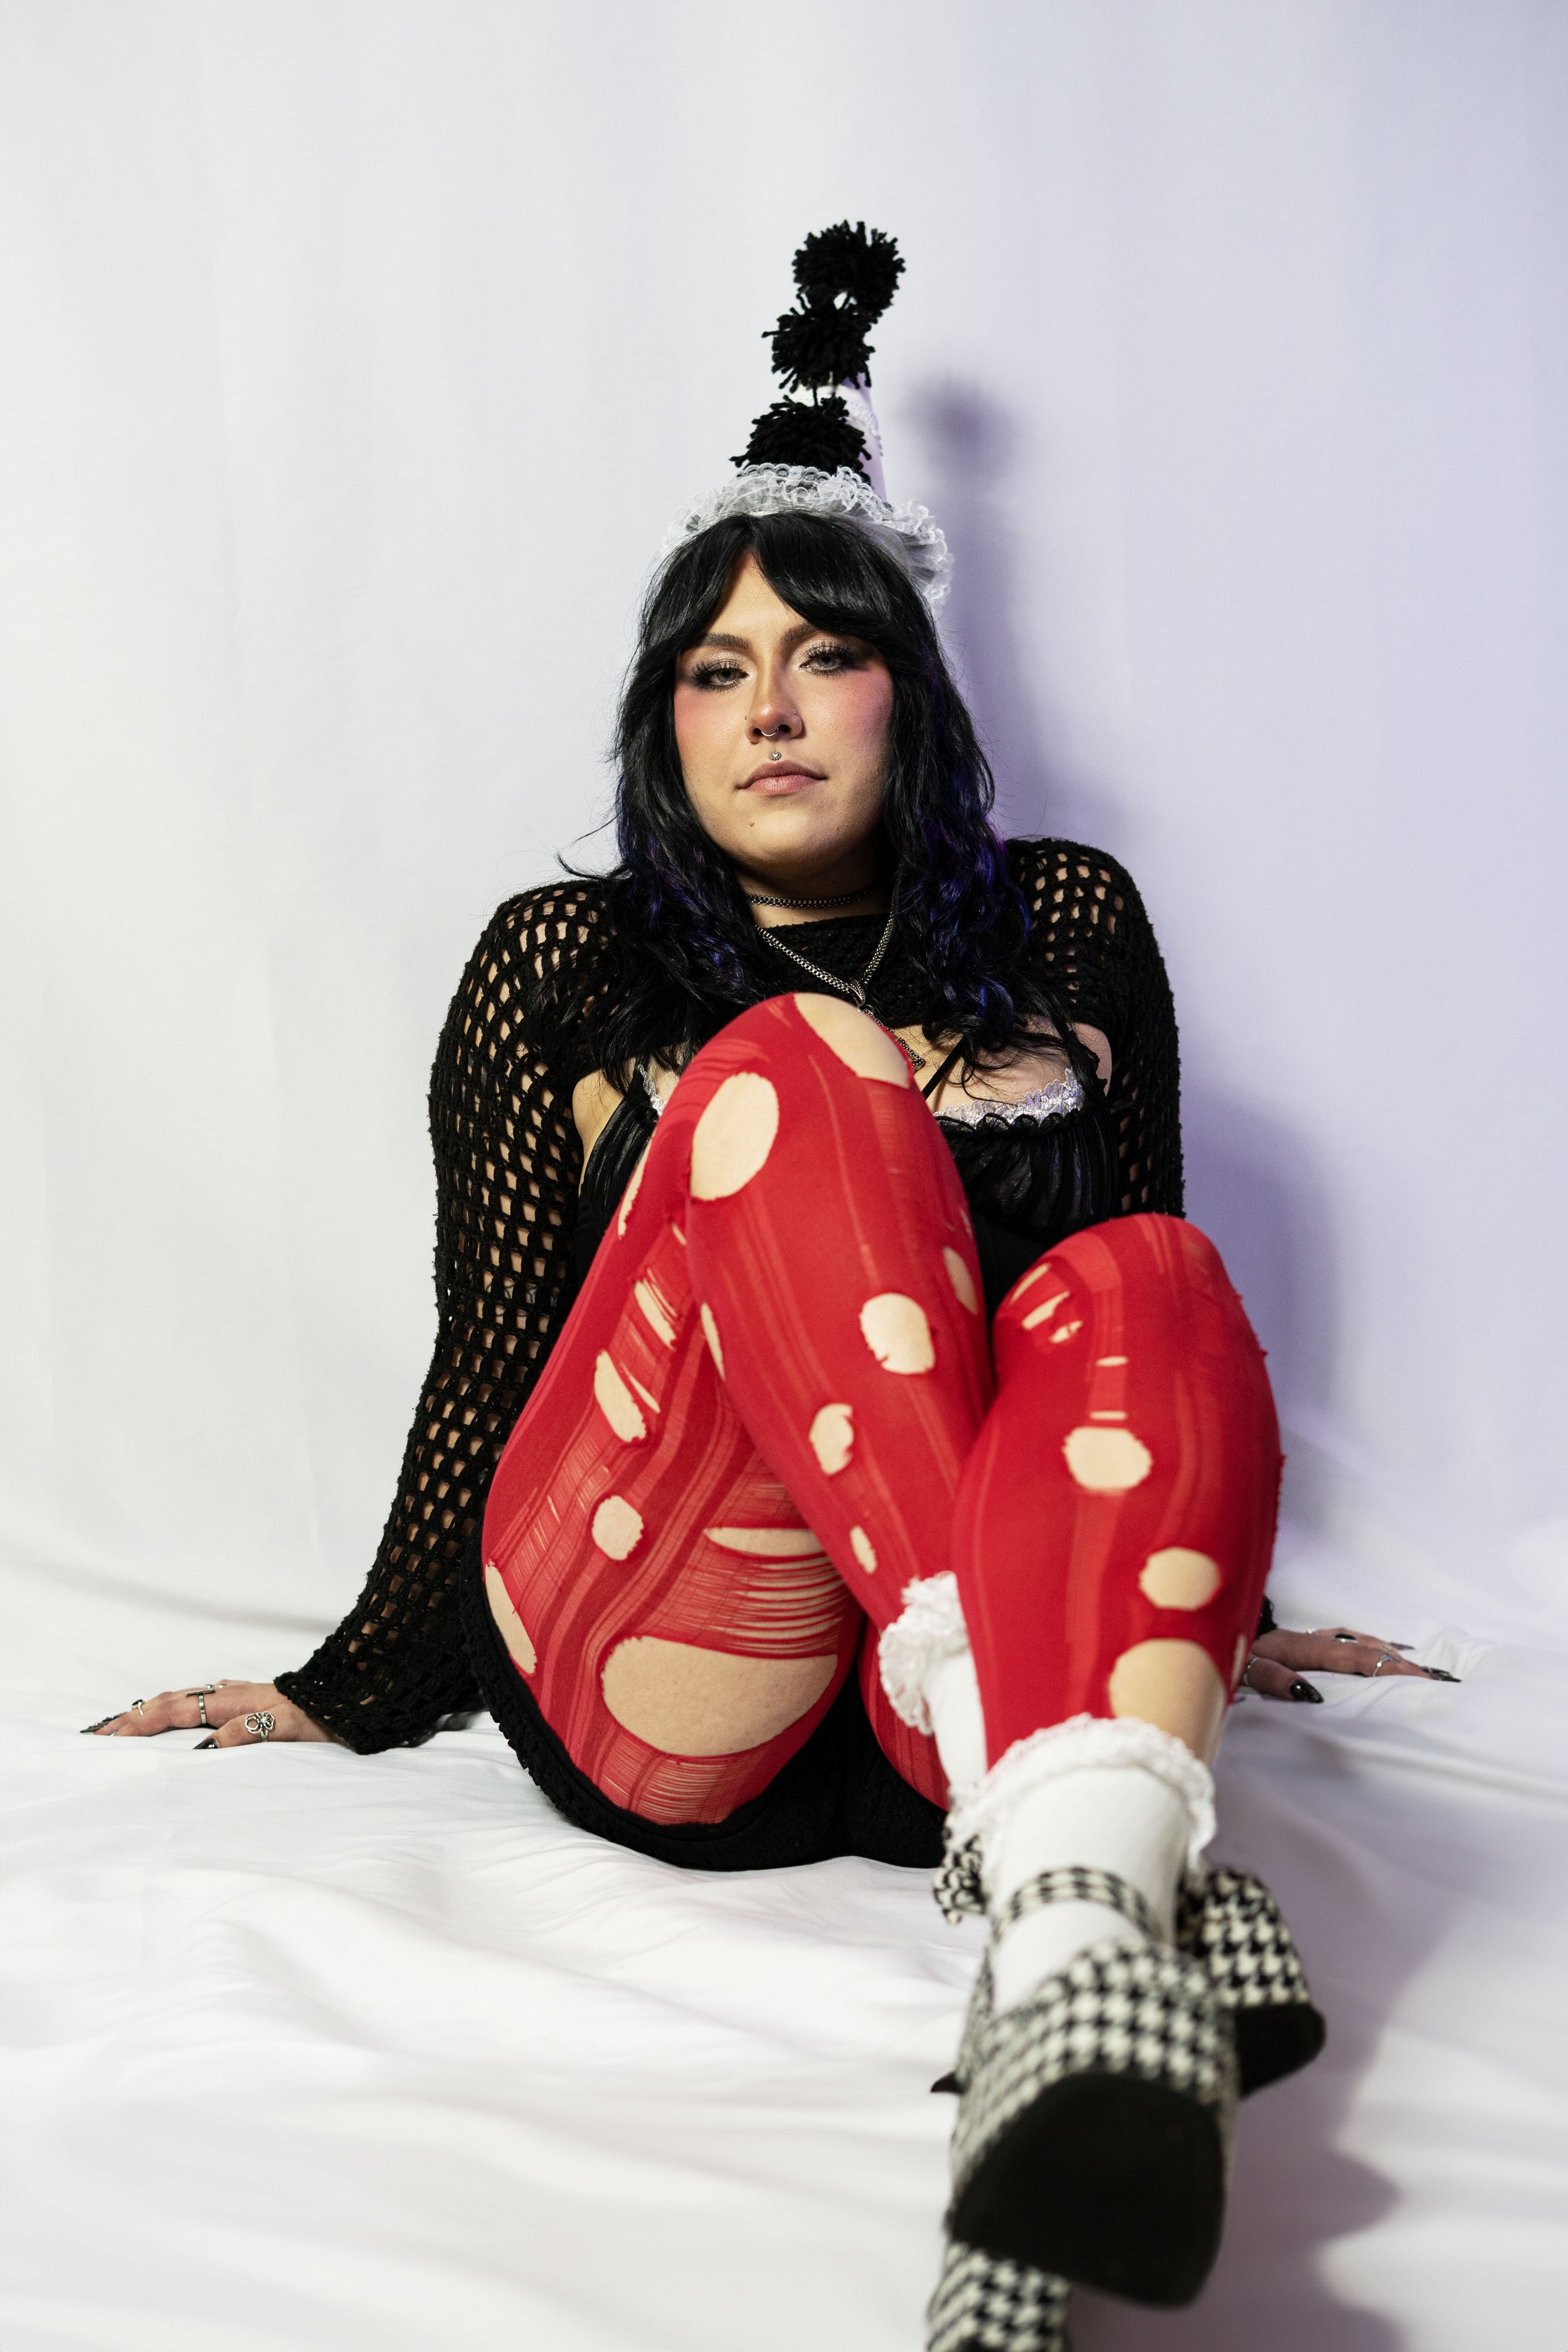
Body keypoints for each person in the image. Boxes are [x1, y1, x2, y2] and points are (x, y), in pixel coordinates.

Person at [85, 227, 1453, 2351]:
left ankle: (1068, 1928)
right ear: (665, 723)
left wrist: (1205, 1609)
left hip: (940, 1737)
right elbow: (492, 1356)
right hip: (676, 1658)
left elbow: (1126, 1306)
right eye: (716, 672)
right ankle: (1078, 1822)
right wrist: (352, 1679)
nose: (772, 708)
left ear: (907, 690)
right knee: (798, 1074)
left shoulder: (1071, 926)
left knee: (1149, 1263)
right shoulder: (567, 966)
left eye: (820, 655)